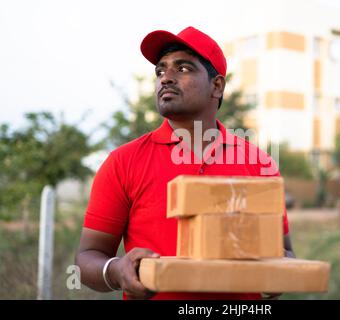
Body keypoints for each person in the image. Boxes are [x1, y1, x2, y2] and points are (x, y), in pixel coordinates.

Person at [75, 26, 295, 300]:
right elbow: (87, 258)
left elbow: (283, 252)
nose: (166, 78)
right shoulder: (123, 161)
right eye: (160, 70)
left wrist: (275, 273)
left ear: (217, 86)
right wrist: (117, 269)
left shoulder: (259, 164)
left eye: (183, 69)